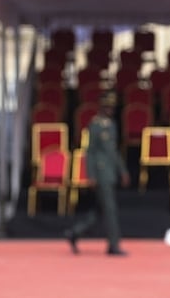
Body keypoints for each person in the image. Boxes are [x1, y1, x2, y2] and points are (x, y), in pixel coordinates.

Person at [65, 91, 130, 256]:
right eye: (107, 107)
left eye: (111, 107)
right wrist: (91, 175)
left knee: (101, 211)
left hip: (110, 172)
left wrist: (122, 171)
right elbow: (90, 152)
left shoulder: (111, 125)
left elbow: (114, 151)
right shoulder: (95, 126)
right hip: (101, 173)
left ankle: (75, 232)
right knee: (110, 209)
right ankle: (113, 244)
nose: (110, 110)